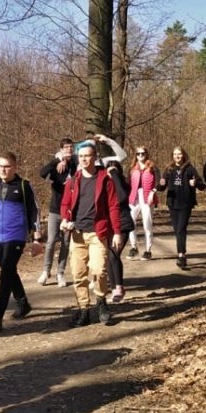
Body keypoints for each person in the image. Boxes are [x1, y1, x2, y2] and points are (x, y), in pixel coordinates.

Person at [59, 140, 122, 327]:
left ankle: (102, 303)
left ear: (95, 157)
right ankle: (83, 309)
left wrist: (117, 232)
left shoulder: (105, 179)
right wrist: (64, 219)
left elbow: (113, 206)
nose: (84, 159)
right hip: (77, 234)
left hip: (97, 233)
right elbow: (65, 204)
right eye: (82, 156)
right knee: (78, 274)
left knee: (98, 269)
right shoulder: (73, 180)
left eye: (88, 156)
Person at [0, 152, 41, 332]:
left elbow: (34, 211)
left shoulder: (24, 186)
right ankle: (23, 304)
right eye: (0, 166)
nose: (4, 170)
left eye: (7, 166)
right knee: (9, 271)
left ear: (15, 167)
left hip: (16, 236)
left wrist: (37, 237)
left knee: (5, 274)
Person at [38, 138, 77, 286]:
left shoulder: (75, 163)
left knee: (66, 243)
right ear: (61, 149)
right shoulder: (56, 165)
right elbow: (42, 173)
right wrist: (57, 161)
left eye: (71, 147)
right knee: (51, 241)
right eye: (66, 147)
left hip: (70, 211)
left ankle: (60, 273)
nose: (69, 150)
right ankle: (46, 271)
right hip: (55, 209)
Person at [158, 147, 205, 269]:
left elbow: (202, 185)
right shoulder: (169, 169)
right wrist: (161, 184)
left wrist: (195, 184)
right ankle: (181, 253)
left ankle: (181, 255)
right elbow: (161, 187)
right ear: (172, 156)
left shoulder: (190, 169)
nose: (177, 156)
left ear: (183, 155)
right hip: (173, 204)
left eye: (179, 154)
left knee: (180, 229)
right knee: (177, 230)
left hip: (185, 203)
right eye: (175, 154)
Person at [105, 156, 135, 303]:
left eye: (113, 170)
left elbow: (122, 198)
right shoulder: (104, 185)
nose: (110, 173)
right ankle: (114, 289)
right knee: (109, 257)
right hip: (108, 225)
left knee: (113, 255)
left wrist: (115, 176)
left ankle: (119, 288)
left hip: (123, 224)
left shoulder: (124, 185)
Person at [127, 147, 157, 260]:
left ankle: (148, 250)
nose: (140, 155)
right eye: (138, 153)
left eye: (142, 153)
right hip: (133, 197)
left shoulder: (152, 167)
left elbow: (159, 182)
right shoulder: (132, 168)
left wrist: (153, 193)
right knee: (130, 222)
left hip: (147, 197)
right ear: (136, 155)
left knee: (147, 224)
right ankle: (134, 247)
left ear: (146, 154)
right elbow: (127, 183)